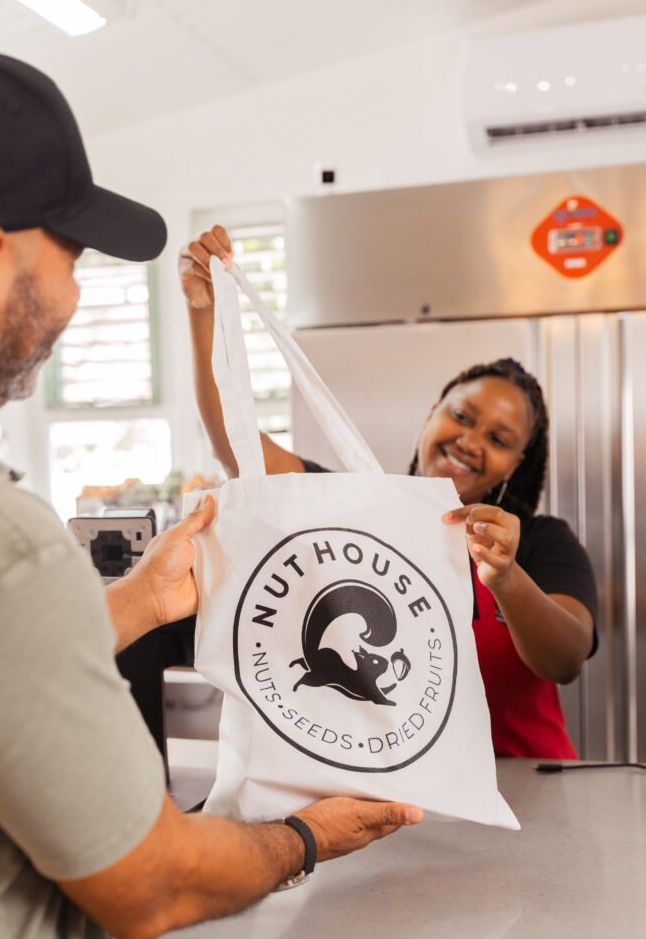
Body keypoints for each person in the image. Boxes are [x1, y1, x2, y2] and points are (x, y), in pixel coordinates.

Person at [0, 50, 422, 939]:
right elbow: (152, 883)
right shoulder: (2, 543)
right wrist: (307, 837)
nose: (76, 297)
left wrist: (136, 603)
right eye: (72, 259)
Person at [180, 225, 598, 760]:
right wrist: (203, 312)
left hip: (529, 787)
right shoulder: (353, 507)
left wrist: (508, 578)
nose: (470, 442)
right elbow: (236, 444)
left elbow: (565, 660)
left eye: (497, 440)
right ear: (432, 413)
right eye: (461, 416)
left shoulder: (542, 543)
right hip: (399, 788)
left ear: (516, 464)